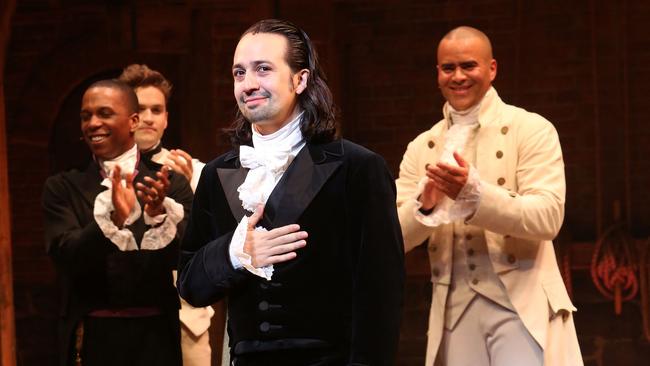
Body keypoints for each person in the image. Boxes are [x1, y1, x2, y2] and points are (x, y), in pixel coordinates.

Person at [177, 19, 405, 365]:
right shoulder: (217, 173)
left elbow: (381, 297)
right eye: (239, 73)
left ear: (300, 79)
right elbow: (191, 287)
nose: (248, 84)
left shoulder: (357, 168)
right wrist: (236, 253)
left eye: (263, 69)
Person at [396, 26, 583, 366]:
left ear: (492, 68)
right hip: (454, 310)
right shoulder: (423, 147)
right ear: (437, 73)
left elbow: (549, 217)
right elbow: (393, 238)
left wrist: (475, 195)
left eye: (469, 66)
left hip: (520, 304)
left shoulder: (531, 129)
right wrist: (425, 207)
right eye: (448, 68)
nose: (458, 76)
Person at [42, 79, 193, 366]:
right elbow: (65, 255)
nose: (92, 123)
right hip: (92, 338)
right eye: (86, 116)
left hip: (156, 338)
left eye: (104, 113)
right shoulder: (62, 187)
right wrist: (112, 221)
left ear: (133, 121)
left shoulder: (169, 184)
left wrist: (158, 215)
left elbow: (189, 255)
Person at [118, 64, 214, 366]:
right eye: (140, 108)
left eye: (156, 110)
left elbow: (216, 240)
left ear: (166, 118)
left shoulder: (195, 171)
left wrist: (192, 188)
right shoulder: (107, 172)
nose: (148, 117)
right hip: (122, 316)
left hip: (186, 319)